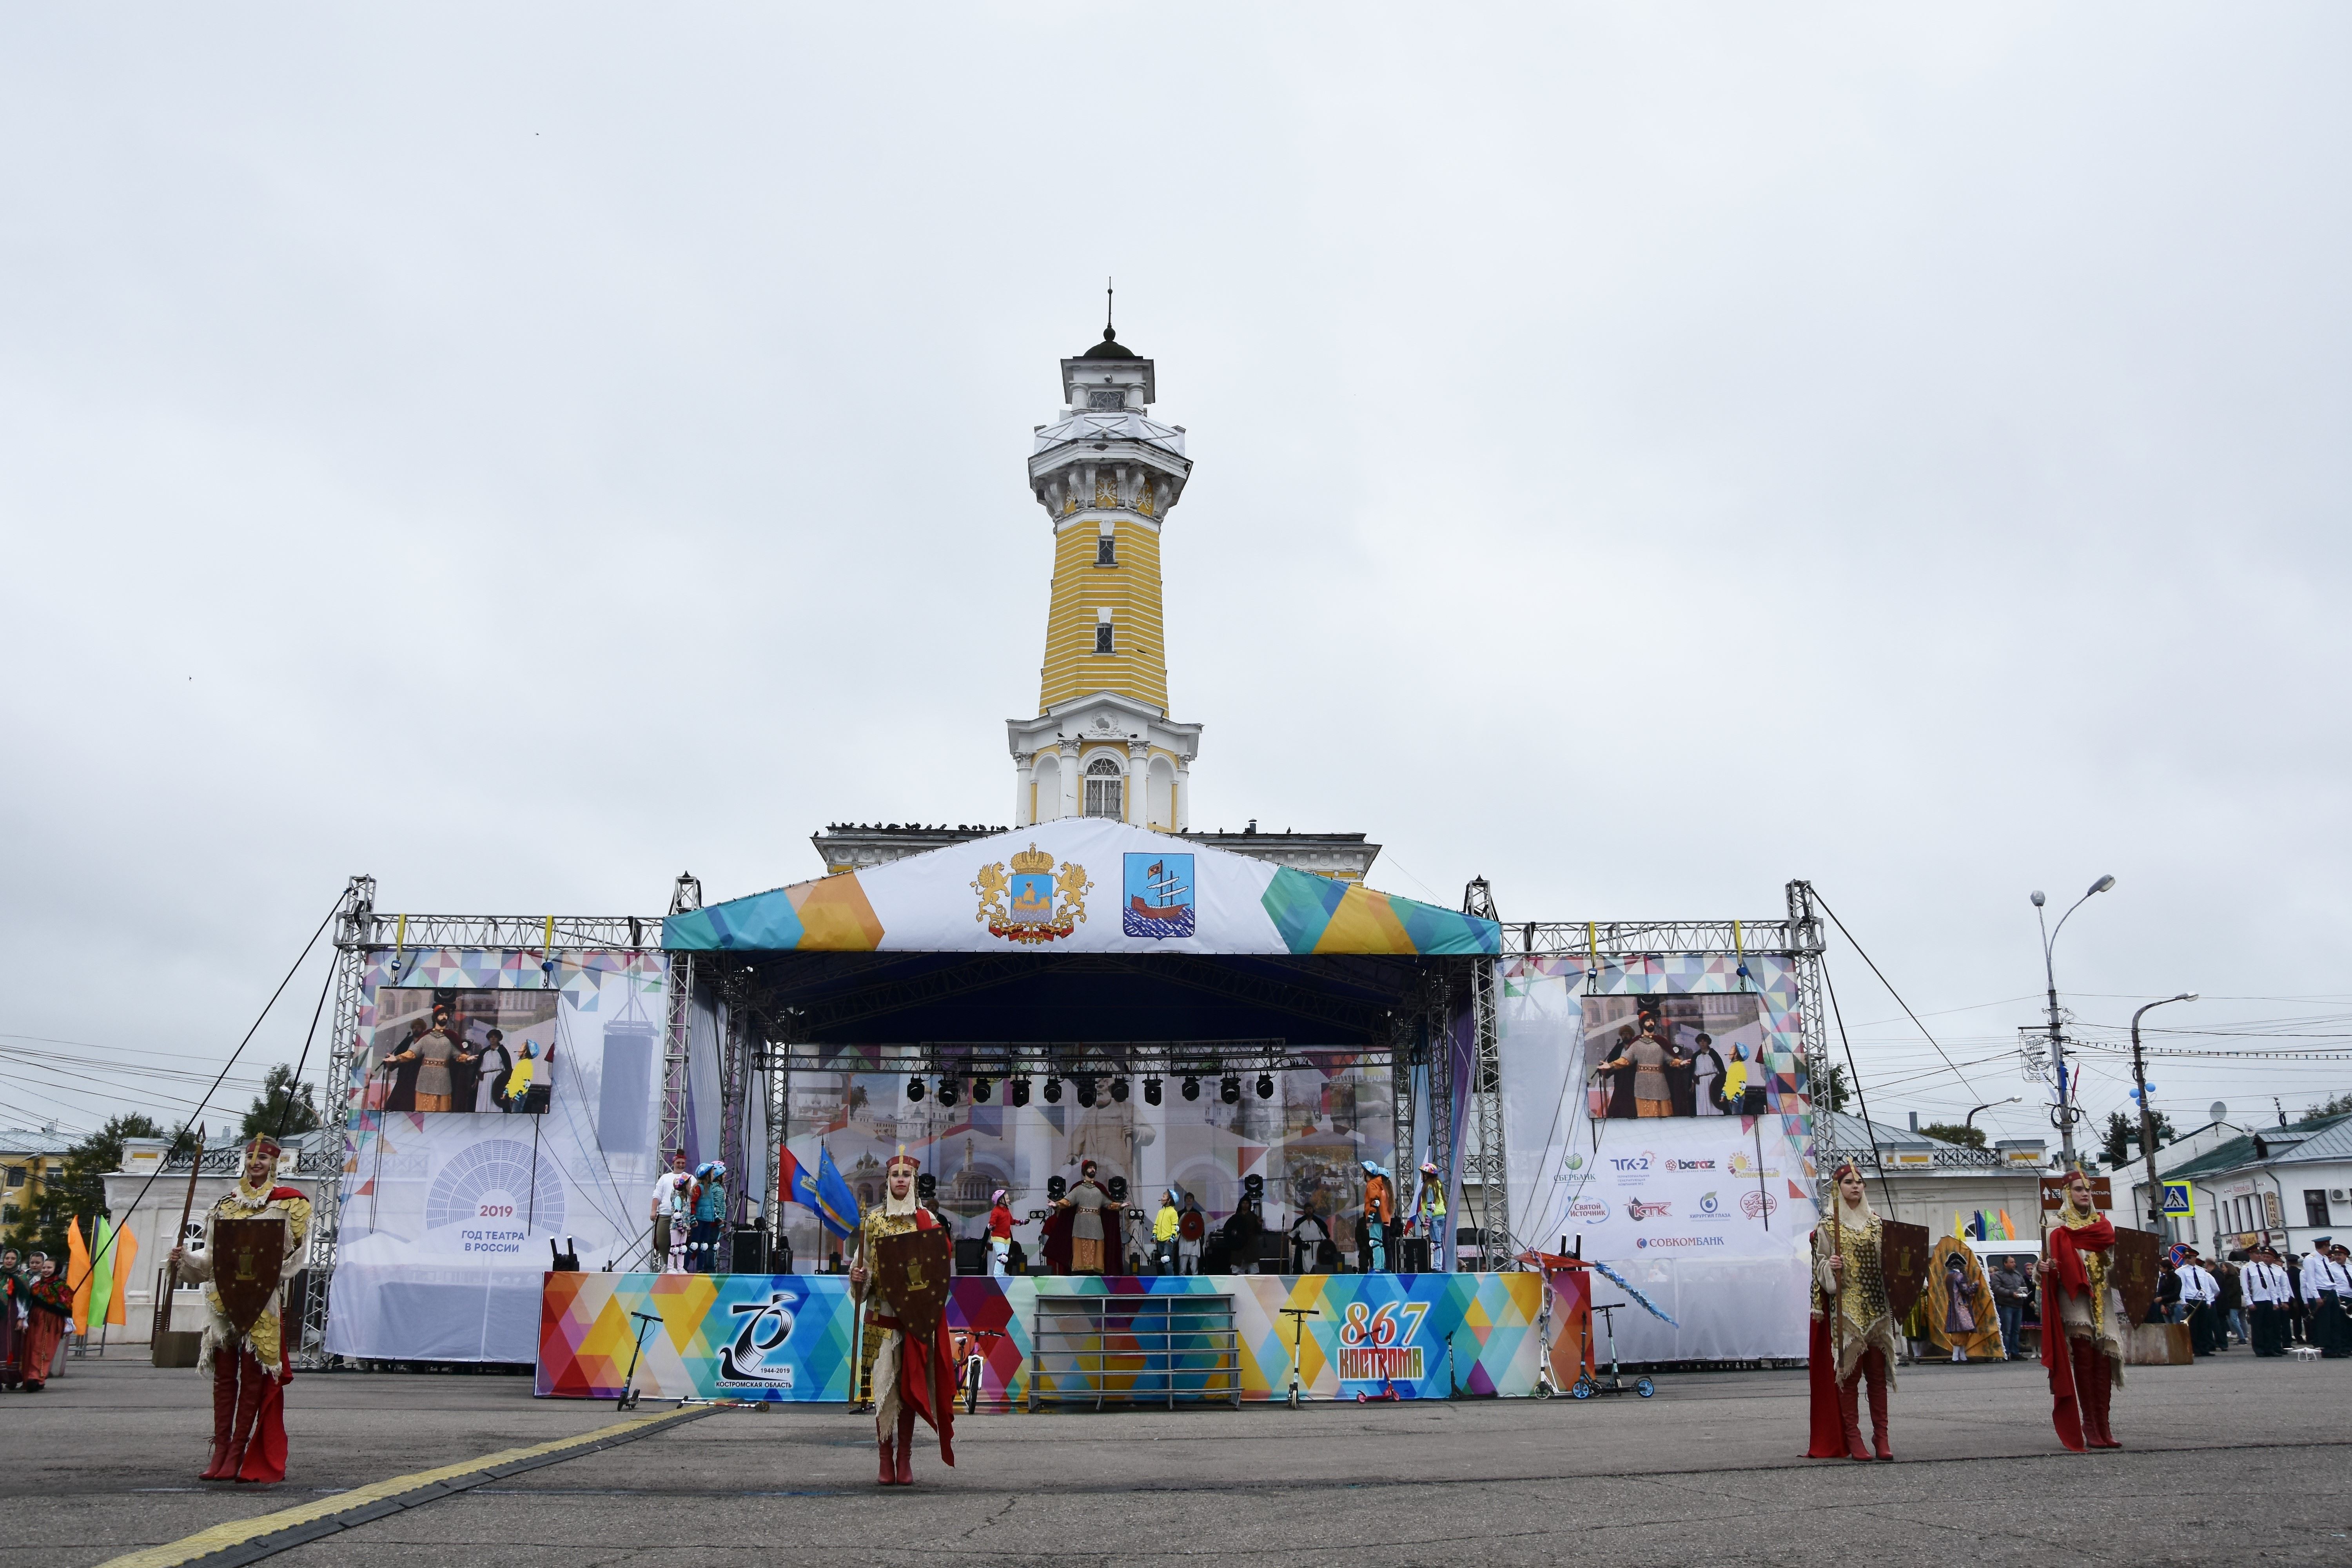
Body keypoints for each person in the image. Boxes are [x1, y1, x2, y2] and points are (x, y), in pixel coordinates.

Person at [168, 1134, 312, 1482]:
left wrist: (259, 1278)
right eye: (251, 1157)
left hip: (261, 1302)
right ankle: (219, 1450)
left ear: (275, 1163)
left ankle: (237, 1452)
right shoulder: (224, 1206)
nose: (256, 1163)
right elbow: (211, 1260)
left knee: (252, 1377)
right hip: (223, 1300)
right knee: (224, 1377)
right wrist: (184, 1257)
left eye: (263, 1157)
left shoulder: (291, 1203)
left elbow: (294, 1258)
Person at [846, 1151, 955, 1487]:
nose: (901, 1179)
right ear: (889, 1180)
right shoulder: (874, 1221)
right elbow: (859, 1265)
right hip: (881, 1315)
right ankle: (884, 1458)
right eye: (895, 1174)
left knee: (909, 1389)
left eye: (907, 1174)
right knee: (883, 1390)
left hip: (914, 1320)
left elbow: (939, 1275)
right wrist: (858, 1278)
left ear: (914, 1181)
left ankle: (904, 1458)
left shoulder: (929, 1222)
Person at [1808, 1162, 1897, 1462]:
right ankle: (1854, 1437)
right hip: (1847, 1310)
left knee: (1877, 1375)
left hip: (1878, 1308)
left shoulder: (1878, 1224)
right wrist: (1829, 1267)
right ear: (1838, 1188)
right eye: (1848, 1182)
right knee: (1849, 1376)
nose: (1856, 1186)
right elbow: (1818, 1266)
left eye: (1860, 1182)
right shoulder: (1828, 1225)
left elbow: (1895, 1265)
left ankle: (1881, 1437)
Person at [2038, 1168, 2125, 1452]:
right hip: (2075, 1303)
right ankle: (2090, 1425)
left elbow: (2115, 1270)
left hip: (2104, 1303)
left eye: (2088, 1188)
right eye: (2078, 1189)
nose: (2085, 1193)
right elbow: (2046, 1269)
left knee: (2104, 1362)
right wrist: (2045, 1270)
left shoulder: (2103, 1226)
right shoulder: (2055, 1226)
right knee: (2085, 1362)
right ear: (2067, 1193)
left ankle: (2104, 1425)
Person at [1599, 1012, 1691, 1119]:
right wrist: (1610, 1065)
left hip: (1659, 1082)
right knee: (1644, 1115)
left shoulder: (1661, 1042)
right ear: (1642, 1024)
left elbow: (1670, 1060)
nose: (1651, 1022)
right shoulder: (1637, 1042)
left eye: (1652, 1021)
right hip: (1642, 1084)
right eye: (1648, 1021)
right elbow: (1626, 1060)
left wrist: (1680, 1063)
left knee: (1663, 1114)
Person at [18, 1253, 71, 1393]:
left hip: (53, 1323)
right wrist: (24, 1320)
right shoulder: (36, 1286)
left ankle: (38, 1378)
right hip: (36, 1320)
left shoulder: (61, 1286)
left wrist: (69, 1324)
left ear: (57, 1269)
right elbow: (28, 1304)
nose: (46, 1270)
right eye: (45, 1267)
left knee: (46, 1350)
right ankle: (33, 1378)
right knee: (34, 1347)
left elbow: (67, 1307)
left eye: (50, 1267)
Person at [1055, 1160, 1113, 1276]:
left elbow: (1109, 1204)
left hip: (1096, 1225)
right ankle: (1079, 1273)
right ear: (1085, 1170)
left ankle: (1096, 1273)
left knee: (1096, 1250)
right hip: (1081, 1225)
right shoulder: (1078, 1188)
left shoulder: (1100, 1189)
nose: (1093, 1170)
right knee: (1080, 1249)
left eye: (1094, 1168)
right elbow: (1068, 1201)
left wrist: (1120, 1206)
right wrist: (1057, 1204)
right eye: (1090, 1168)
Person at [2300, 1243, 2351, 1358]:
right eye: (2328, 1247)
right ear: (2324, 1247)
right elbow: (2310, 1279)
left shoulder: (2324, 1259)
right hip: (2321, 1292)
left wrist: (2336, 1294)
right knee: (2325, 1323)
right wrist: (2316, 1296)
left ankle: (2337, 1348)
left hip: (2331, 1291)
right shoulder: (2310, 1259)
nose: (2329, 1249)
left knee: (2335, 1323)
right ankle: (2327, 1350)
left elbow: (2331, 1278)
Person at [2242, 1245, 2290, 1357]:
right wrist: (2249, 1302)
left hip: (2267, 1300)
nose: (2260, 1256)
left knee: (2269, 1326)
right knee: (2258, 1327)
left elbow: (2271, 1287)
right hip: (2257, 1301)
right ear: (2251, 1255)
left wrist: (2274, 1302)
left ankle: (2270, 1349)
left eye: (2260, 1254)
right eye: (2257, 1254)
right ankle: (2259, 1349)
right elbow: (2245, 1287)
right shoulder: (2247, 1268)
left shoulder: (2264, 1268)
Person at [650, 1152, 693, 1273]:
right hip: (666, 1213)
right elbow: (657, 1195)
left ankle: (678, 1267)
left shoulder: (690, 1177)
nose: (681, 1165)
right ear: (674, 1163)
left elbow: (693, 1197)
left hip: (684, 1217)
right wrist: (654, 1210)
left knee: (682, 1244)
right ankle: (668, 1264)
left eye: (683, 1163)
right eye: (678, 1162)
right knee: (661, 1242)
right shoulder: (665, 1177)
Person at [2178, 1251, 2220, 1356]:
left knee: (2204, 1325)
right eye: (2186, 1257)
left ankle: (2204, 1349)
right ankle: (2196, 1349)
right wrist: (2183, 1301)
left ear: (2195, 1258)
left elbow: (2206, 1287)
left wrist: (2209, 1301)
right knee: (2194, 1325)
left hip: (2202, 1299)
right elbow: (2182, 1286)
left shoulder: (2202, 1271)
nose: (2187, 1260)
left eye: (2190, 1257)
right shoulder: (2182, 1271)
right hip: (2191, 1299)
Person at [1990, 1254, 2032, 1359]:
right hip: (2006, 1306)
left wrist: (2024, 1293)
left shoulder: (2018, 1275)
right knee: (2007, 1331)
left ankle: (2015, 1352)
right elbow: (1996, 1288)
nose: (2014, 1264)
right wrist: (2011, 1293)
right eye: (2012, 1262)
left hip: (2018, 1306)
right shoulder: (1998, 1276)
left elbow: (2025, 1287)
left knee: (2016, 1330)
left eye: (2014, 1262)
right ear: (2005, 1264)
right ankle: (2006, 1352)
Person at [1942, 1256, 1981, 1361]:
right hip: (1961, 1306)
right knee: (1962, 1330)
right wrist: (1975, 1285)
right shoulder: (1959, 1276)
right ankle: (1957, 1357)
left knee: (1957, 1330)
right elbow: (1966, 1290)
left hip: (1953, 1306)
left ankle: (1961, 1356)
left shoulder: (1948, 1277)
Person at [1414, 1162, 1448, 1272]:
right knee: (1437, 1243)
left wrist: (1427, 1221)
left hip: (1435, 1219)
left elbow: (1431, 1204)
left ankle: (1438, 1267)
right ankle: (1437, 1265)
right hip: (1440, 1218)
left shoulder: (1429, 1186)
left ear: (1426, 1175)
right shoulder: (1437, 1185)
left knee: (1436, 1243)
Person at [1361, 1161, 1394, 1273]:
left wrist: (1370, 1218)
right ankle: (1381, 1266)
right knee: (1379, 1243)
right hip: (1379, 1217)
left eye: (1363, 1170)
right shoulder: (1378, 1184)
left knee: (1375, 1242)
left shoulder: (1372, 1184)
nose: (1361, 1172)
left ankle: (1378, 1267)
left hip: (1375, 1217)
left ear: (1367, 1172)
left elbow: (1375, 1201)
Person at [472, 1029, 514, 1113]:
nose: (493, 1039)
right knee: (484, 1099)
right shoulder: (484, 1052)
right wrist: (476, 1080)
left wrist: (507, 1082)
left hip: (497, 1079)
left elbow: (507, 1068)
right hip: (485, 1080)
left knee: (495, 1099)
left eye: (495, 1037)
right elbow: (479, 1067)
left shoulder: (503, 1051)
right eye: (491, 1037)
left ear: (499, 1039)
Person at [0, 1247, 22, 1390]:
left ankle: (12, 1378)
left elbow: (25, 1300)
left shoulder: (22, 1277)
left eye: (13, 1259)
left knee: (12, 1346)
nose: (9, 1261)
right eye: (7, 1258)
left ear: (18, 1260)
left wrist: (22, 1318)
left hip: (14, 1314)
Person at [986, 1190, 1015, 1278]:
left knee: (1004, 1259)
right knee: (1001, 1258)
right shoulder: (996, 1211)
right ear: (1001, 1200)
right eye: (1007, 1199)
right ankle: (997, 1277)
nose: (1009, 1200)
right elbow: (991, 1223)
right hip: (997, 1240)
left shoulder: (1006, 1211)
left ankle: (1001, 1276)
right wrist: (991, 1226)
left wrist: (1022, 1222)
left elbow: (1012, 1221)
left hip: (1006, 1239)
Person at [1176, 1191, 1207, 1276]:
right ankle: (1182, 1283)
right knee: (1182, 1267)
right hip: (1184, 1241)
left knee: (1195, 1267)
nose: (1189, 1200)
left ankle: (1195, 1283)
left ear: (1193, 1201)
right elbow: (1177, 1228)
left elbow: (1201, 1227)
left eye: (1191, 1198)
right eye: (1187, 1198)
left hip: (1195, 1241)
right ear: (1185, 1201)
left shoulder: (1197, 1214)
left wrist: (1202, 1238)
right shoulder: (1180, 1214)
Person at [1152, 1189, 1180, 1276]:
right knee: (1163, 1260)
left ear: (1169, 1200)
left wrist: (1172, 1238)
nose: (1162, 1198)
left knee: (1167, 1259)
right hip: (1160, 1240)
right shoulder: (1160, 1212)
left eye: (1164, 1197)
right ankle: (1164, 1277)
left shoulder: (1173, 1212)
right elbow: (1156, 1225)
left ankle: (1170, 1279)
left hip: (1168, 1240)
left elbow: (1175, 1227)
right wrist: (1154, 1236)